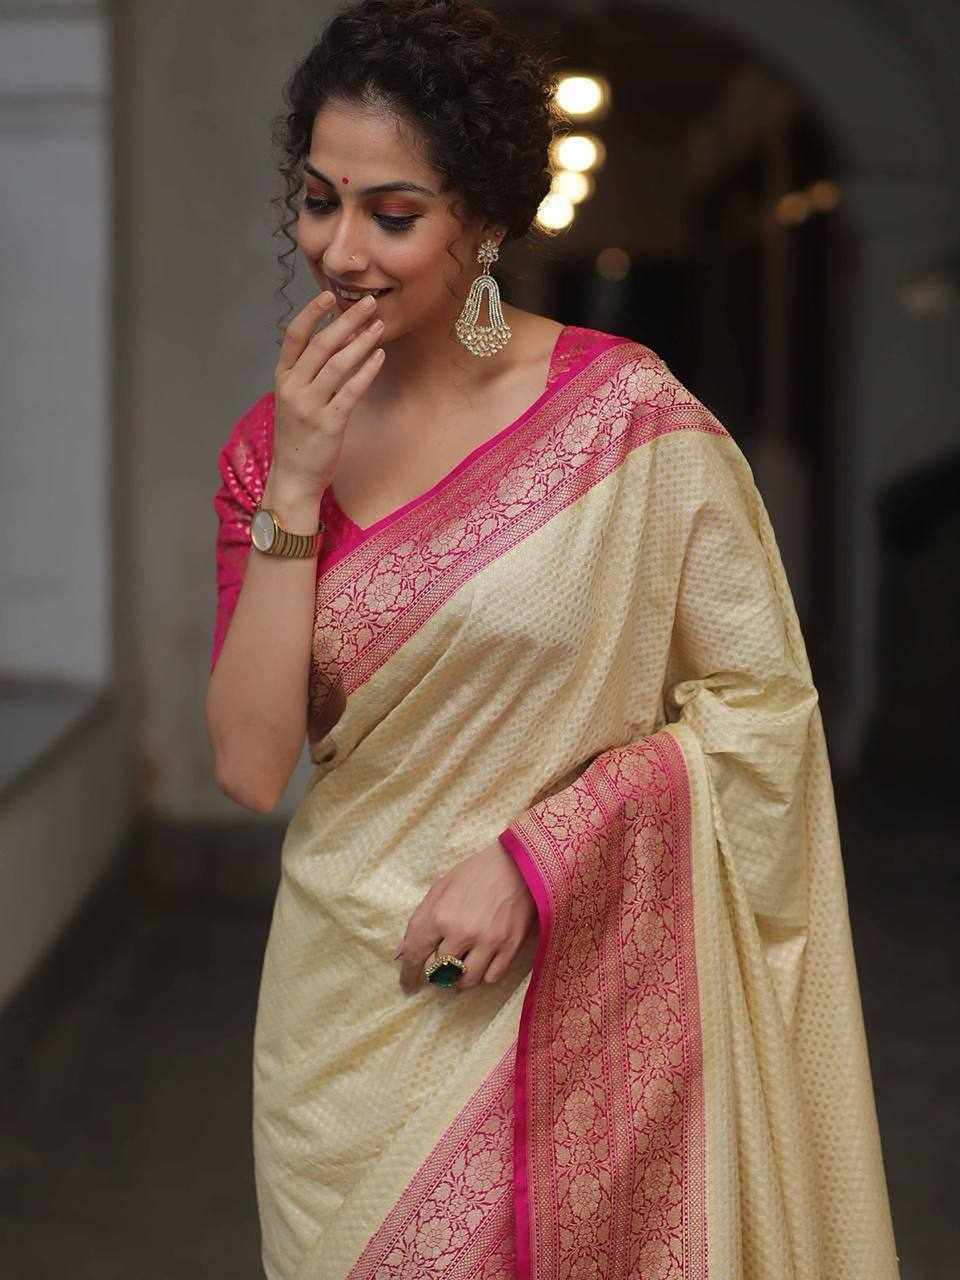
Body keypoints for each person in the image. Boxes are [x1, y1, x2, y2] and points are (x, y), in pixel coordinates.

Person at [204, 1, 900, 1277]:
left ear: (483, 223)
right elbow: (251, 768)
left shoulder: (626, 418)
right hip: (346, 1023)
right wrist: (296, 483)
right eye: (318, 202)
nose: (339, 251)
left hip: (575, 988)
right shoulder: (270, 447)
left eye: (392, 214)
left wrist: (543, 853)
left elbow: (761, 706)